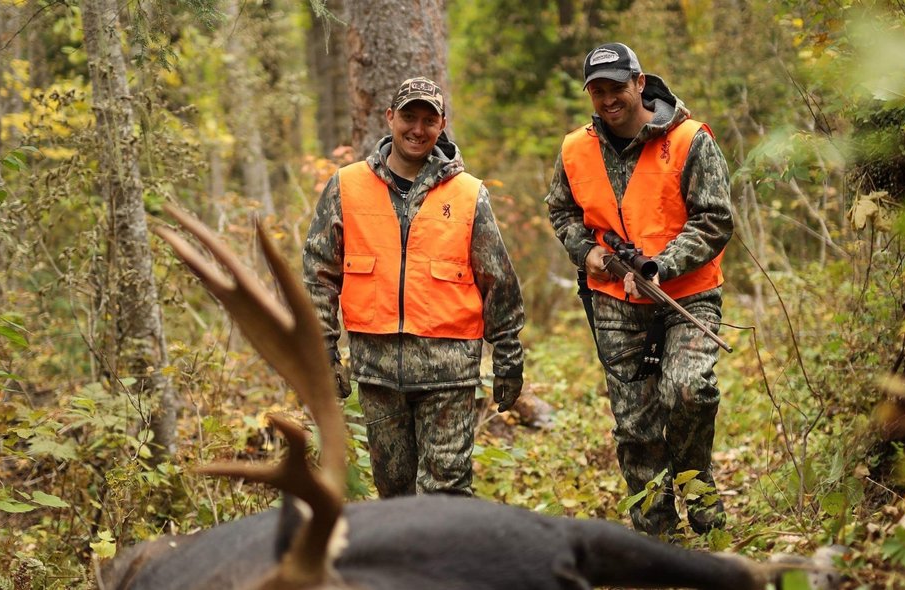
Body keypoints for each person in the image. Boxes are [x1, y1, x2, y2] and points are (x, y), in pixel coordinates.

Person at [303, 77, 525, 498]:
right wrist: (323, 352)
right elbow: (319, 274)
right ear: (390, 118)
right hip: (378, 373)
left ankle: (445, 565)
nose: (417, 129)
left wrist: (509, 358)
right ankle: (401, 565)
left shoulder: (468, 193)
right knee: (394, 493)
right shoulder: (347, 186)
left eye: (429, 119)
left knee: (447, 491)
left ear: (442, 125)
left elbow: (498, 280)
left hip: (450, 371)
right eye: (408, 117)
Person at [545, 42, 732, 537]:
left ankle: (699, 491)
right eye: (598, 90)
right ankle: (656, 532)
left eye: (617, 87)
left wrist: (661, 266)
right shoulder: (574, 148)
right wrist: (588, 255)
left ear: (640, 83)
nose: (608, 99)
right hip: (612, 299)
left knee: (689, 390)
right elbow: (561, 212)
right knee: (635, 424)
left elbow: (715, 220)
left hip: (687, 293)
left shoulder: (691, 140)